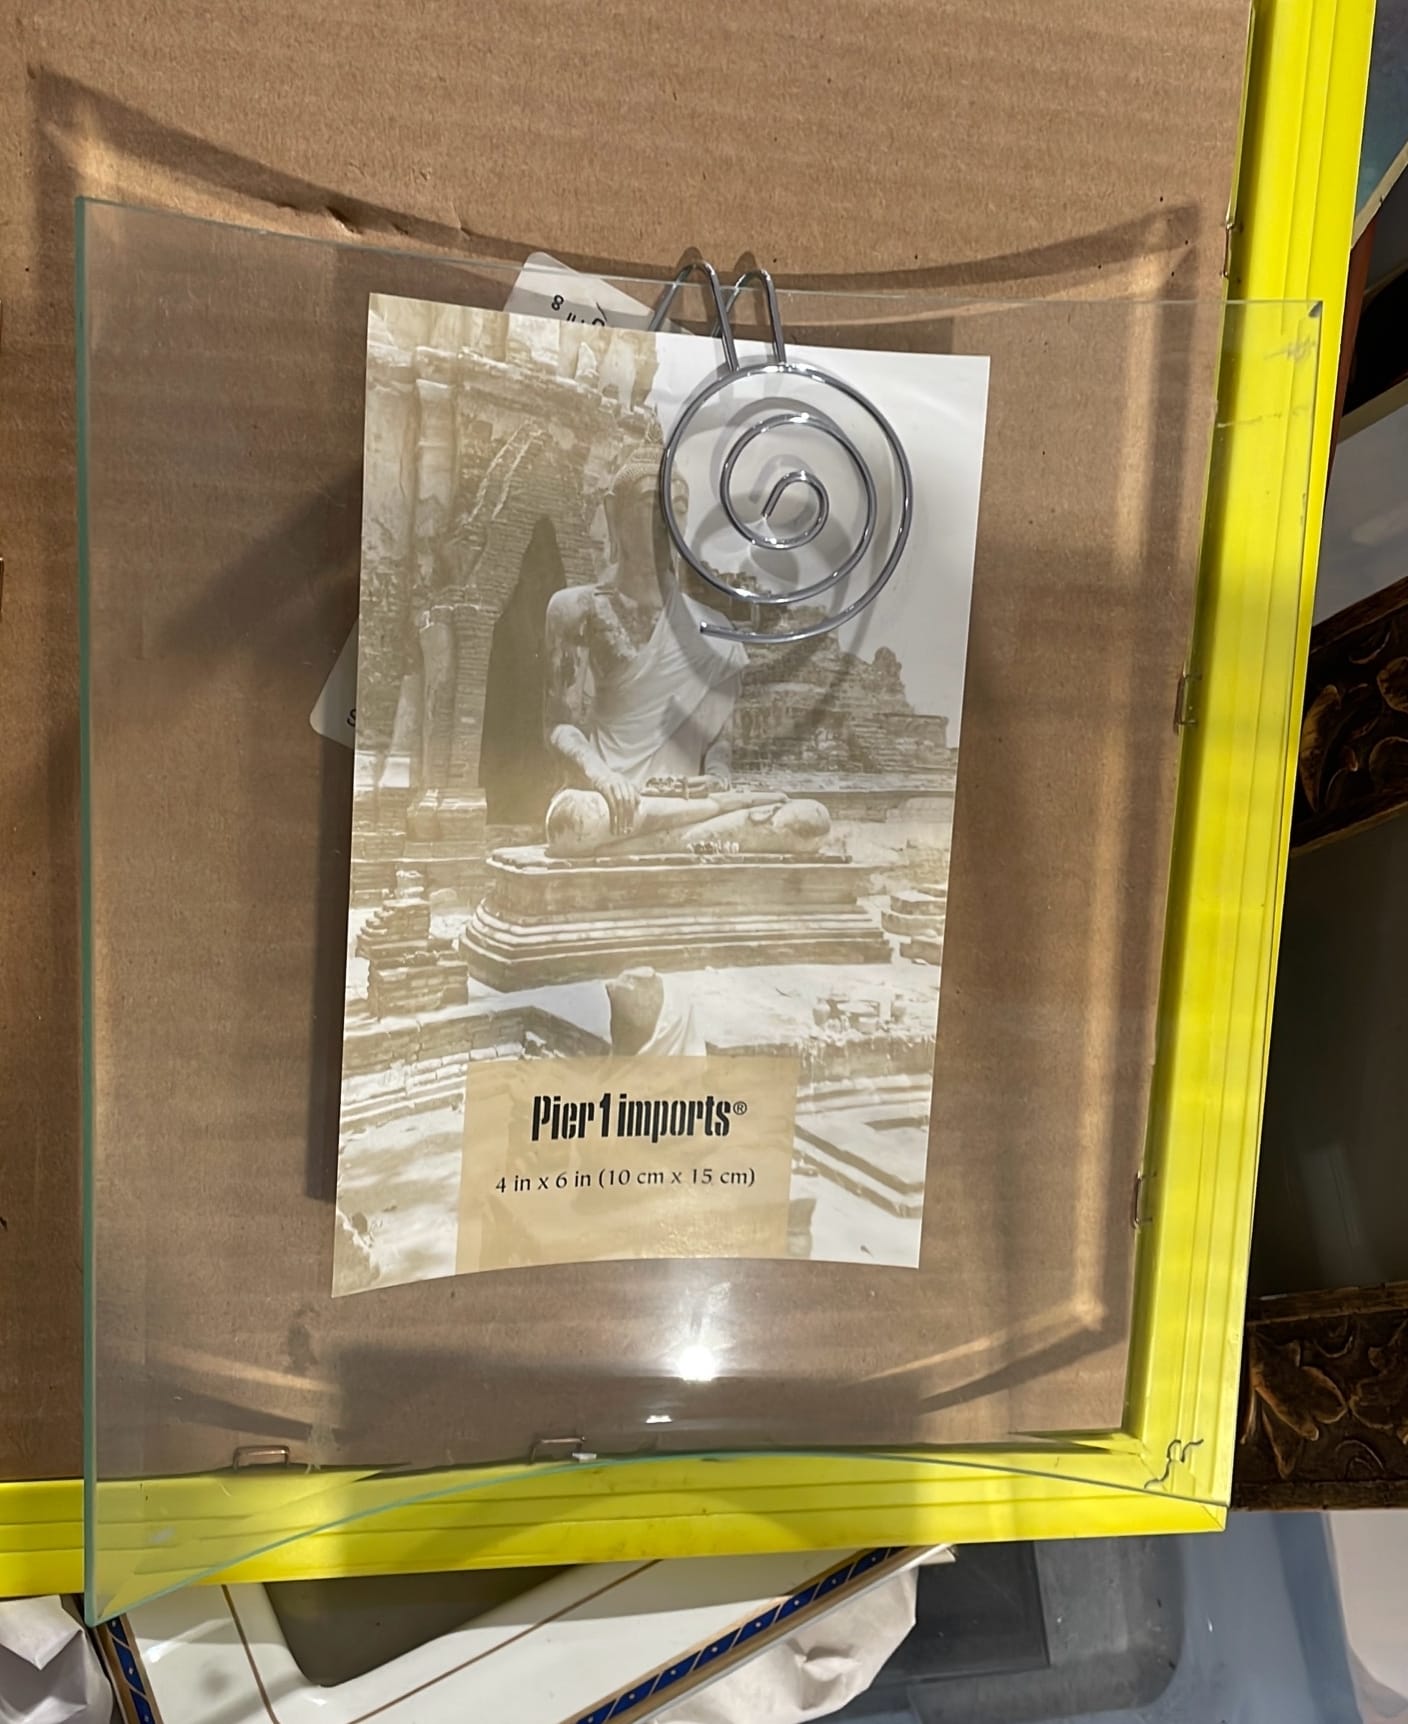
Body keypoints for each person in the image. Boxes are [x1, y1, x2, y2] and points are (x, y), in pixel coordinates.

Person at [542, 440, 830, 858]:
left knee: (807, 821)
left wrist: (717, 779)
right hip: (606, 799)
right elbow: (558, 725)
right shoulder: (575, 608)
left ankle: (659, 838)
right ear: (613, 512)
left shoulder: (716, 630)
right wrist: (604, 778)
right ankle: (684, 837)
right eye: (650, 505)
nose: (666, 522)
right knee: (575, 821)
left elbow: (718, 742)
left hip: (683, 801)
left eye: (677, 509)